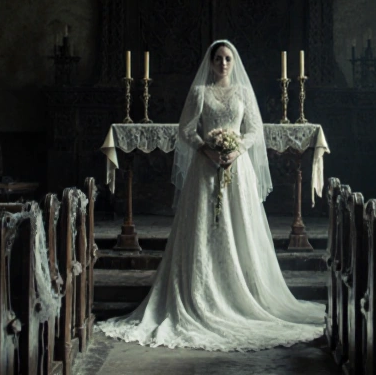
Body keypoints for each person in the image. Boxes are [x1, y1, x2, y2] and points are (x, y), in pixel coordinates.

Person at [97, 40, 324, 351]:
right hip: (205, 170)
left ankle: (242, 292)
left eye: (228, 58)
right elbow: (186, 129)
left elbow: (254, 130)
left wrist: (236, 149)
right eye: (218, 58)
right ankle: (200, 292)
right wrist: (207, 149)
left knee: (239, 228)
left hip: (237, 170)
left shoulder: (243, 92)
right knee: (205, 229)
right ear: (211, 62)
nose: (223, 64)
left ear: (234, 62)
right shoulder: (200, 93)